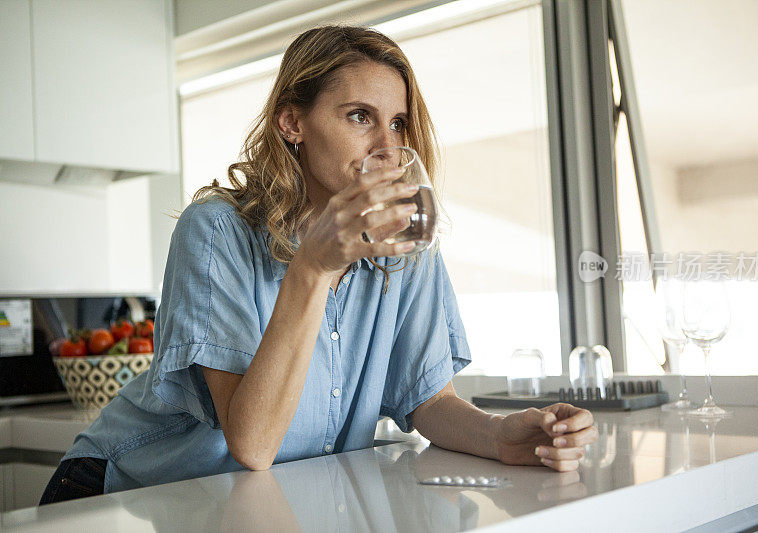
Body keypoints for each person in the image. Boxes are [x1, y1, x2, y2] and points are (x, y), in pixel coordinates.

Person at [40, 25, 597, 507]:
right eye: (361, 117)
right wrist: (313, 268)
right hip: (129, 494)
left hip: (258, 505)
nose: (387, 146)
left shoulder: (405, 242)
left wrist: (502, 436)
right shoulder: (216, 231)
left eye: (399, 123)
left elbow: (429, 401)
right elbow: (252, 445)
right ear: (292, 122)